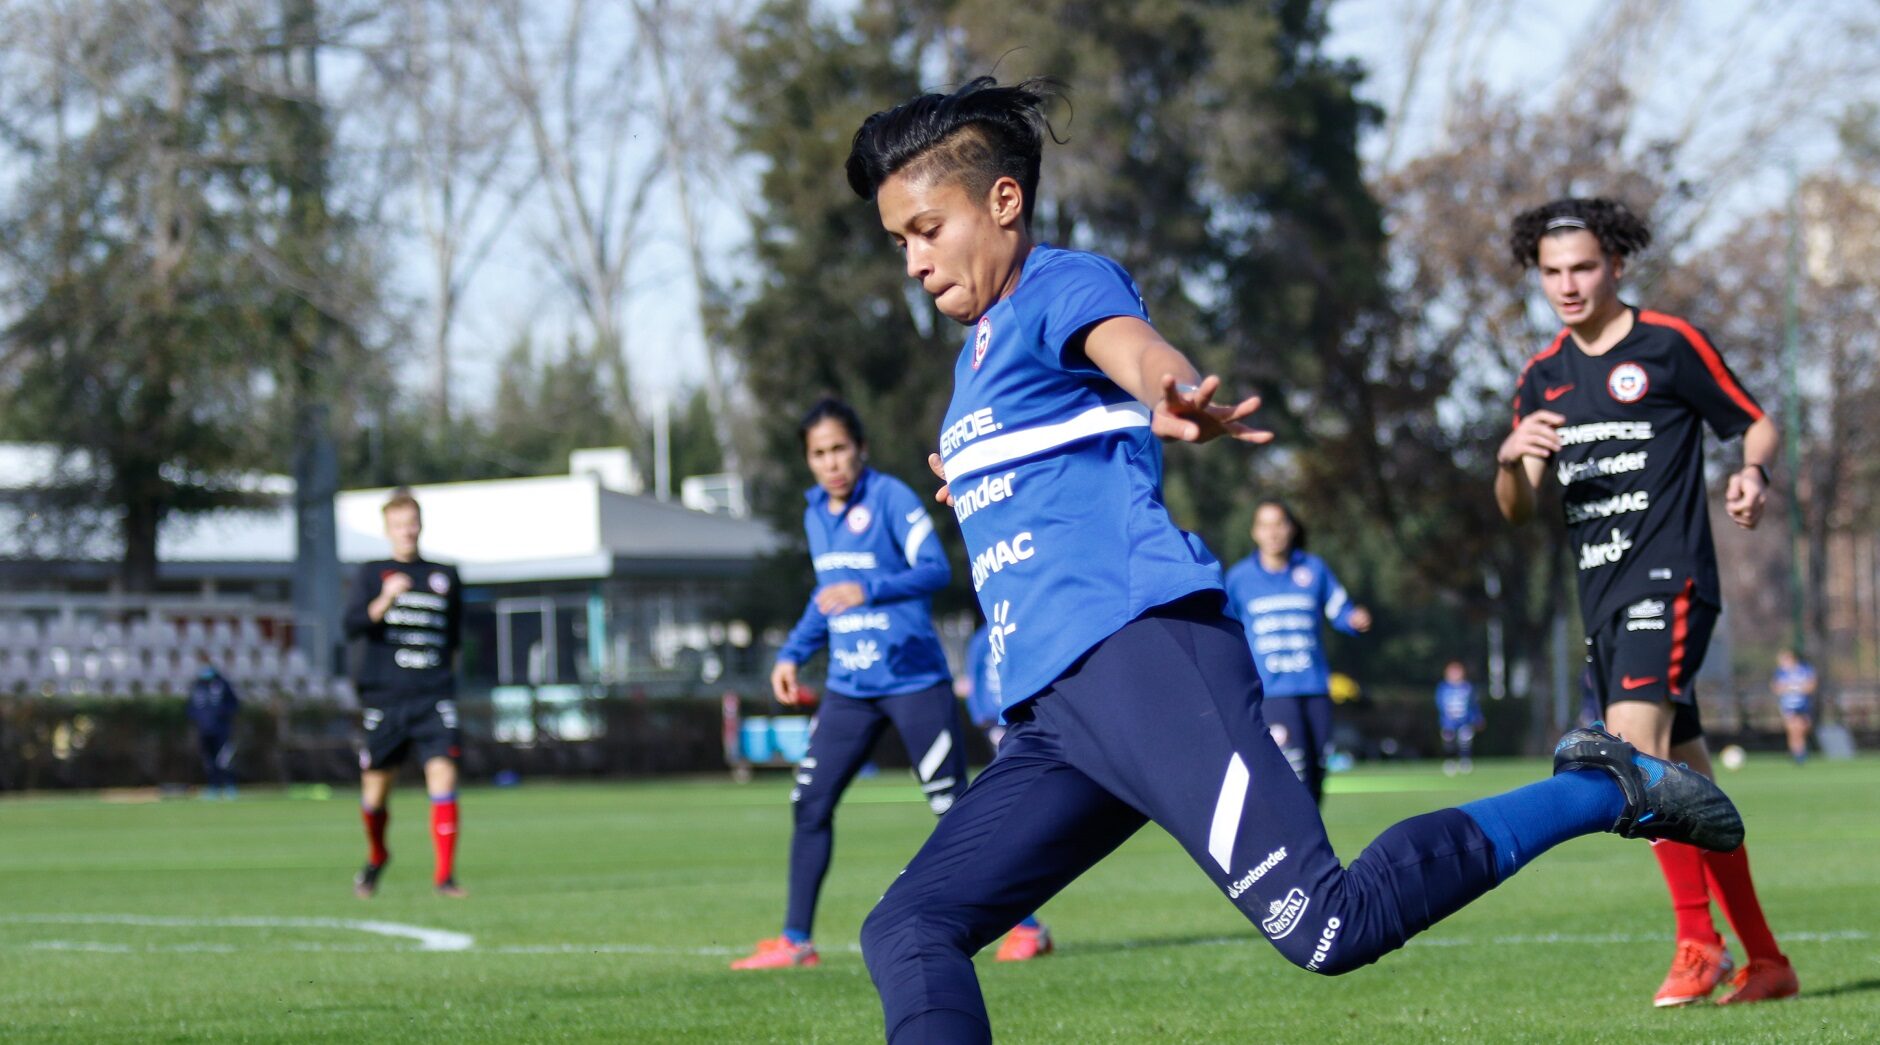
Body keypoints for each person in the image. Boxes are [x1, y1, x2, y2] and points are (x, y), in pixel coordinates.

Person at [843, 78, 1743, 1043]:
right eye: (900, 241)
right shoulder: (973, 361)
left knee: (1329, 925)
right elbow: (1050, 451)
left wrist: (1175, 389)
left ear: (1004, 203)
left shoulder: (1060, 283)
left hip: (1139, 657)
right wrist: (972, 469)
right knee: (909, 925)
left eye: (928, 229)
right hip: (1056, 718)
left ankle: (1603, 786)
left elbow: (1140, 352)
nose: (915, 260)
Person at [1495, 197, 1796, 1005]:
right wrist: (1509, 457)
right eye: (1552, 272)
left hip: (1670, 581)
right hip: (1604, 602)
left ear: (1616, 264)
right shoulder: (1541, 377)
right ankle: (1767, 961)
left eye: (1583, 267)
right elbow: (1517, 507)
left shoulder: (1668, 344)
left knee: (1631, 754)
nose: (1567, 284)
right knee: (1692, 788)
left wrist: (1752, 470)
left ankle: (1699, 942)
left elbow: (1756, 423)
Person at [731, 399, 968, 970]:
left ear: (860, 448)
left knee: (954, 809)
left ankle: (1028, 927)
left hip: (914, 680)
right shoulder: (816, 514)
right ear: (807, 461)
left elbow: (936, 569)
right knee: (809, 803)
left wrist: (870, 588)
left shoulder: (889, 498)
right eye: (819, 453)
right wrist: (791, 653)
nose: (832, 462)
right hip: (849, 689)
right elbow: (827, 597)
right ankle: (796, 942)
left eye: (840, 448)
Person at [344, 489, 466, 899]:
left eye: (412, 522)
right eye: (399, 524)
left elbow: (453, 638)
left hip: (432, 696)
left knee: (443, 774)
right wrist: (385, 597)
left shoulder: (444, 575)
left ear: (421, 524)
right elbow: (353, 625)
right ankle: (377, 855)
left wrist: (446, 681)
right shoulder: (370, 573)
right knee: (375, 793)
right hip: (385, 697)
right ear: (387, 529)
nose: (407, 531)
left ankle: (444, 877)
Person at [1223, 501, 1372, 803]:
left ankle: (1313, 844)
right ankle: (1297, 847)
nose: (1273, 532)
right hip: (1274, 691)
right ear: (1254, 532)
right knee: (1294, 770)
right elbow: (1226, 628)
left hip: (1314, 687)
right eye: (1265, 525)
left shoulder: (1313, 570)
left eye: (1279, 523)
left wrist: (1353, 619)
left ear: (1291, 528)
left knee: (1317, 772)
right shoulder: (1239, 579)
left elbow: (1339, 608)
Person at [962, 622, 1052, 961]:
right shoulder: (980, 639)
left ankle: (1028, 929)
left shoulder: (1027, 623)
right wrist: (982, 718)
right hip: (999, 724)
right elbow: (975, 680)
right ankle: (1026, 928)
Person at [186, 655, 240, 799]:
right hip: (204, 731)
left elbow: (233, 704)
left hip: (221, 730)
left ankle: (230, 787)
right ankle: (213, 787)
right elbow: (191, 707)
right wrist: (199, 719)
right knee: (209, 762)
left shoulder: (222, 683)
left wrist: (222, 716)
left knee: (224, 760)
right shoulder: (197, 685)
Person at [1434, 660, 1483, 775]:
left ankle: (1465, 761)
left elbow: (1474, 704)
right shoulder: (1443, 687)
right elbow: (1440, 703)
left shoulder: (1467, 687)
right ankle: (1450, 762)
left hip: (1464, 721)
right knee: (1448, 742)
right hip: (1449, 722)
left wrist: (1477, 718)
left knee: (1465, 741)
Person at [1770, 649, 1816, 765]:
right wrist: (1787, 688)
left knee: (1801, 729)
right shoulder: (1780, 672)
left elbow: (1811, 686)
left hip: (1803, 705)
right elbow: (1776, 688)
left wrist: (1796, 688)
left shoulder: (1804, 670)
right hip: (1788, 705)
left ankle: (1799, 751)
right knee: (1793, 730)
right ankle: (1798, 755)